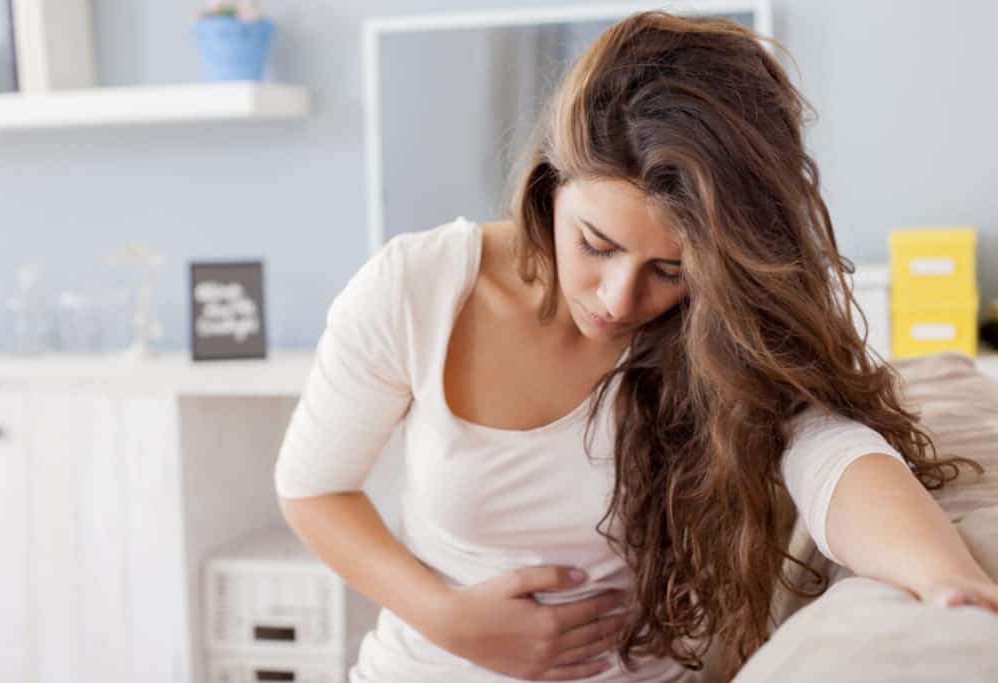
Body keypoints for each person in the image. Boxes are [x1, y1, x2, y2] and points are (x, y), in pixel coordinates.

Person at [274, 11, 998, 682]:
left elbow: (833, 456)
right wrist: (449, 618)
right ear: (550, 185)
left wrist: (948, 581)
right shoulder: (418, 288)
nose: (620, 299)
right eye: (596, 244)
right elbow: (312, 488)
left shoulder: (720, 333)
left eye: (669, 269)